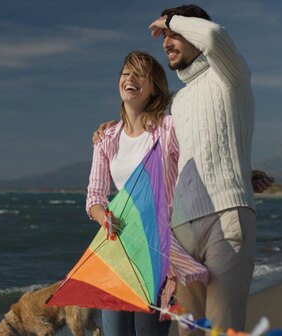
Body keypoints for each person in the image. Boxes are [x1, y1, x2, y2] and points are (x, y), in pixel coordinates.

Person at [93, 4, 274, 334]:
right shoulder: (174, 104)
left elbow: (216, 35)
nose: (166, 41)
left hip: (226, 216)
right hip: (180, 232)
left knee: (221, 327)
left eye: (174, 35)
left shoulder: (230, 76)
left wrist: (172, 20)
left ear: (194, 32)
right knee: (188, 330)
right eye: (164, 36)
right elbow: (176, 146)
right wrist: (110, 129)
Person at [86, 50, 208, 336]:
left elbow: (203, 155)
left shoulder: (167, 130)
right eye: (126, 73)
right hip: (119, 251)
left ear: (153, 87)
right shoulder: (106, 139)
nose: (130, 78)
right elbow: (94, 196)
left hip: (158, 251)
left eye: (139, 74)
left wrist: (244, 173)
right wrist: (104, 217)